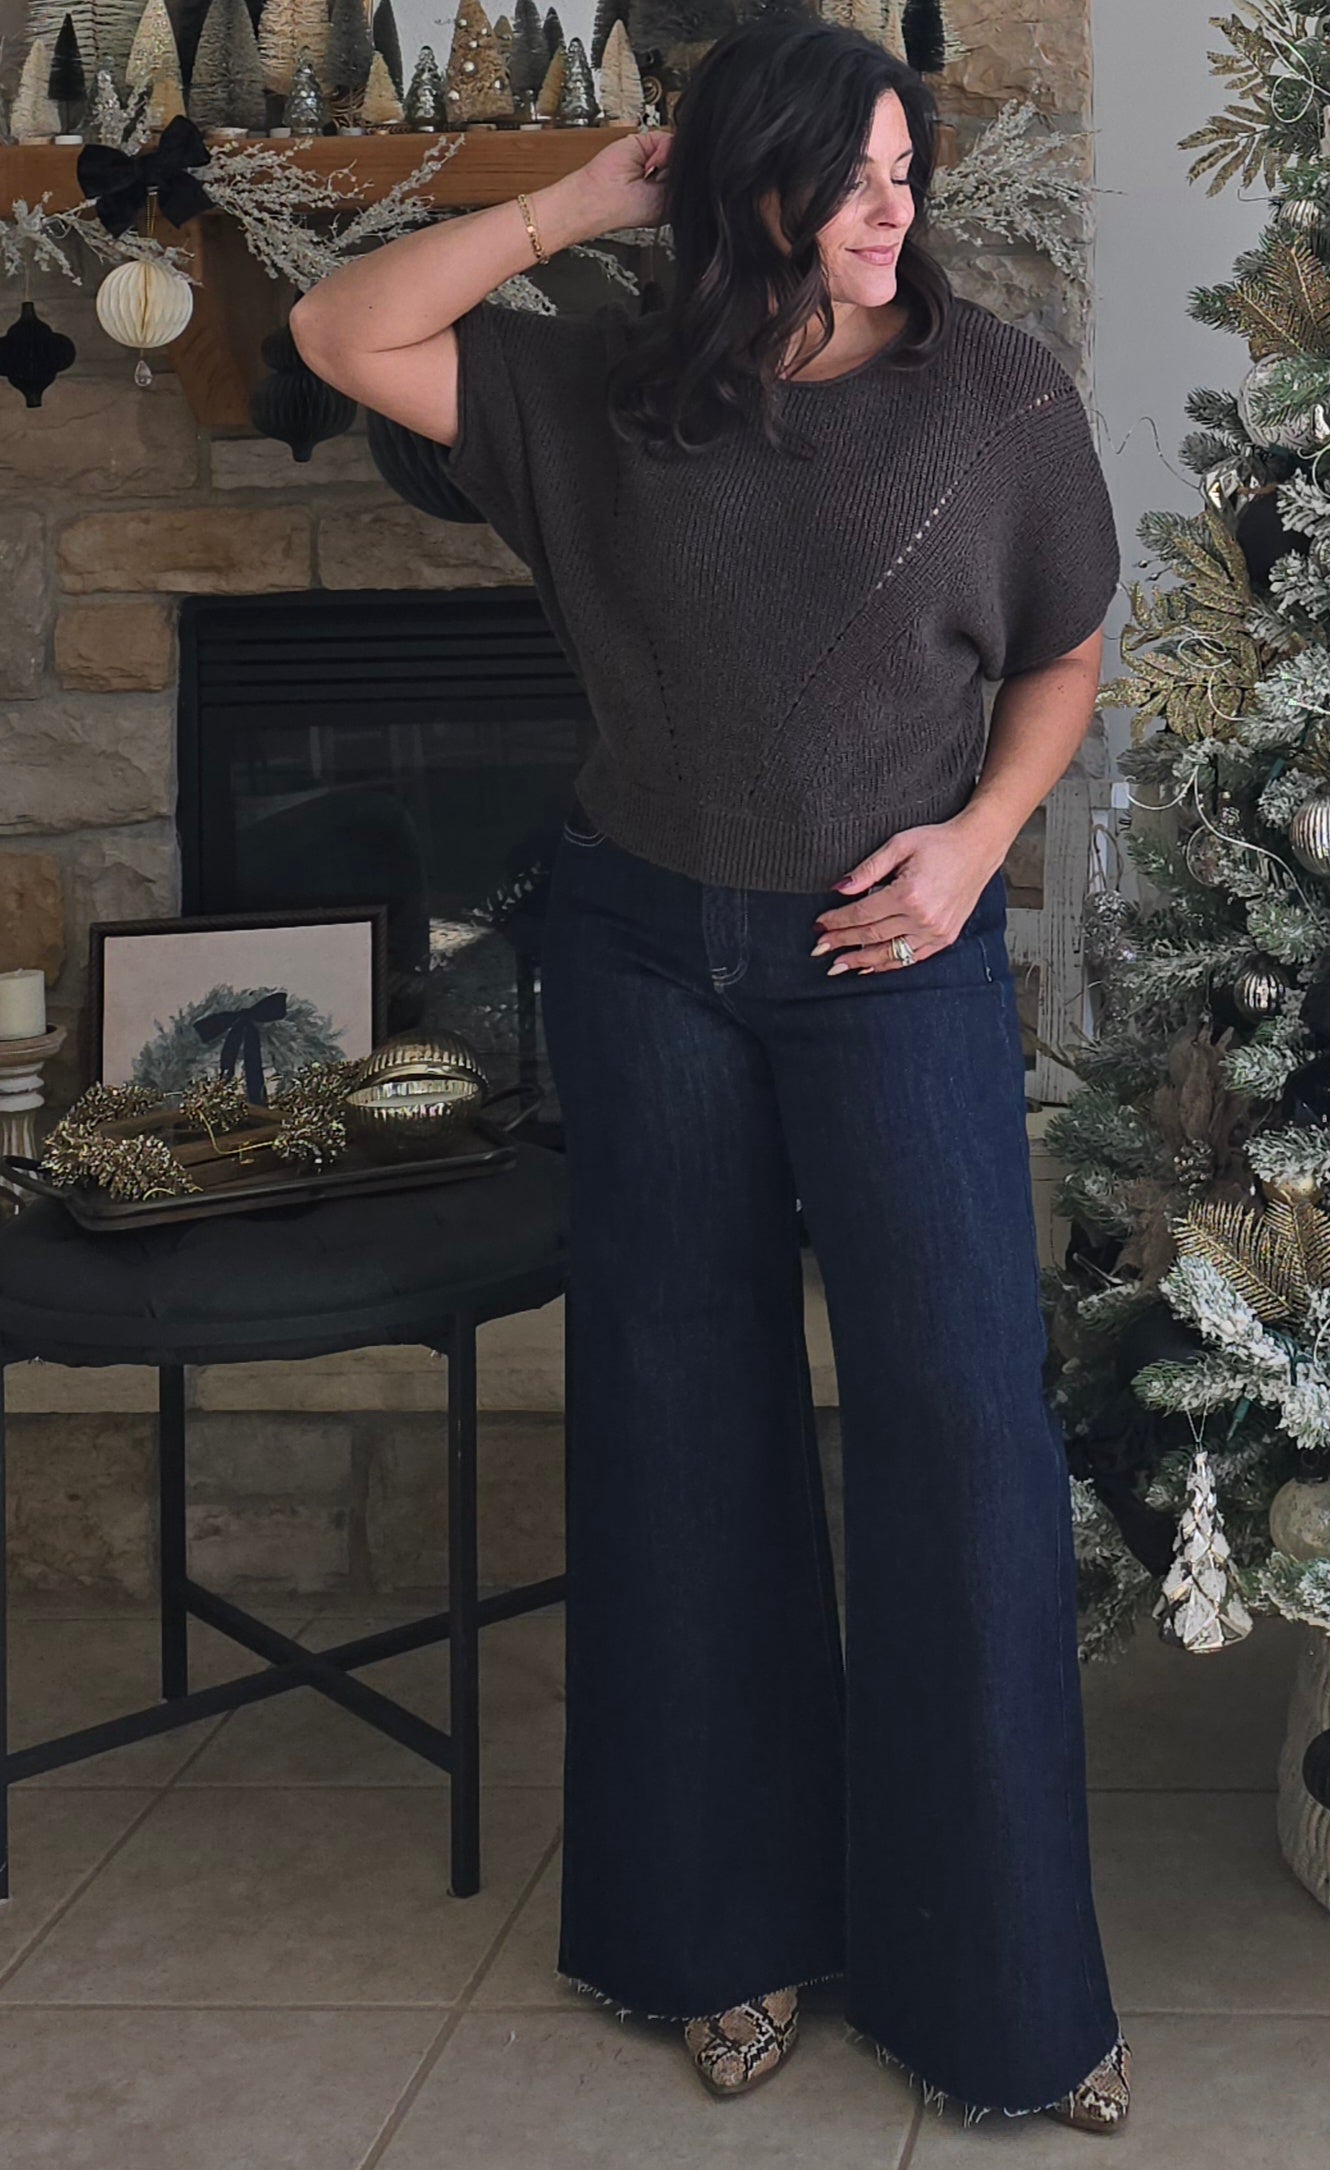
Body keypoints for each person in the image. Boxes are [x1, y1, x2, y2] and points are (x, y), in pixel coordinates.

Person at [289, 16, 1127, 2133]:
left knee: (962, 1429)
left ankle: (1007, 1992)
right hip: (645, 951)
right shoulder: (603, 392)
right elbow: (336, 326)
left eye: (907, 168)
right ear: (745, 188)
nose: (892, 207)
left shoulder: (994, 396)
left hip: (894, 961)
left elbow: (1065, 652)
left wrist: (977, 843)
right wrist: (583, 196)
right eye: (850, 175)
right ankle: (716, 1936)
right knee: (679, 1421)